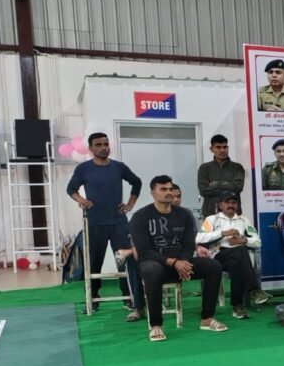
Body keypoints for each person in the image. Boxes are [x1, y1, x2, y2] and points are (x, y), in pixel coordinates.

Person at [130, 175, 226, 341]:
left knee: (213, 266)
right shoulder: (140, 216)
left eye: (170, 189)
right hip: (154, 265)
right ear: (153, 193)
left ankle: (207, 318)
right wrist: (174, 262)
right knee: (152, 270)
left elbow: (188, 244)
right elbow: (144, 251)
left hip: (180, 263)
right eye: (163, 189)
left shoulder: (184, 215)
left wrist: (184, 262)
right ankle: (156, 325)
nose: (169, 192)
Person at [66, 132, 142, 316]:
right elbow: (71, 189)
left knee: (125, 261)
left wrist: (130, 204)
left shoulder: (119, 167)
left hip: (118, 222)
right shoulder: (84, 168)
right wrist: (81, 200)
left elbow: (137, 183)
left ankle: (129, 298)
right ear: (90, 148)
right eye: (98, 145)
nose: (103, 148)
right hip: (94, 222)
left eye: (106, 144)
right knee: (93, 263)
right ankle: (92, 299)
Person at [196, 191, 269, 319]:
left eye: (234, 202)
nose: (231, 205)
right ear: (220, 205)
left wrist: (244, 240)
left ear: (237, 205)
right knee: (241, 251)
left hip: (238, 257)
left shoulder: (244, 220)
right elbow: (199, 238)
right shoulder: (212, 219)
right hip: (218, 256)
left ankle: (237, 306)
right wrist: (222, 233)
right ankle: (254, 290)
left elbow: (258, 241)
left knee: (236, 263)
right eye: (227, 202)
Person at [198, 134, 246, 217]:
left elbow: (238, 187)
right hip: (210, 214)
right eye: (218, 147)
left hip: (233, 214)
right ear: (211, 149)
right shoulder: (204, 168)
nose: (222, 150)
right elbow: (203, 191)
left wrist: (216, 184)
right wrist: (228, 187)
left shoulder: (237, 167)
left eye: (225, 147)